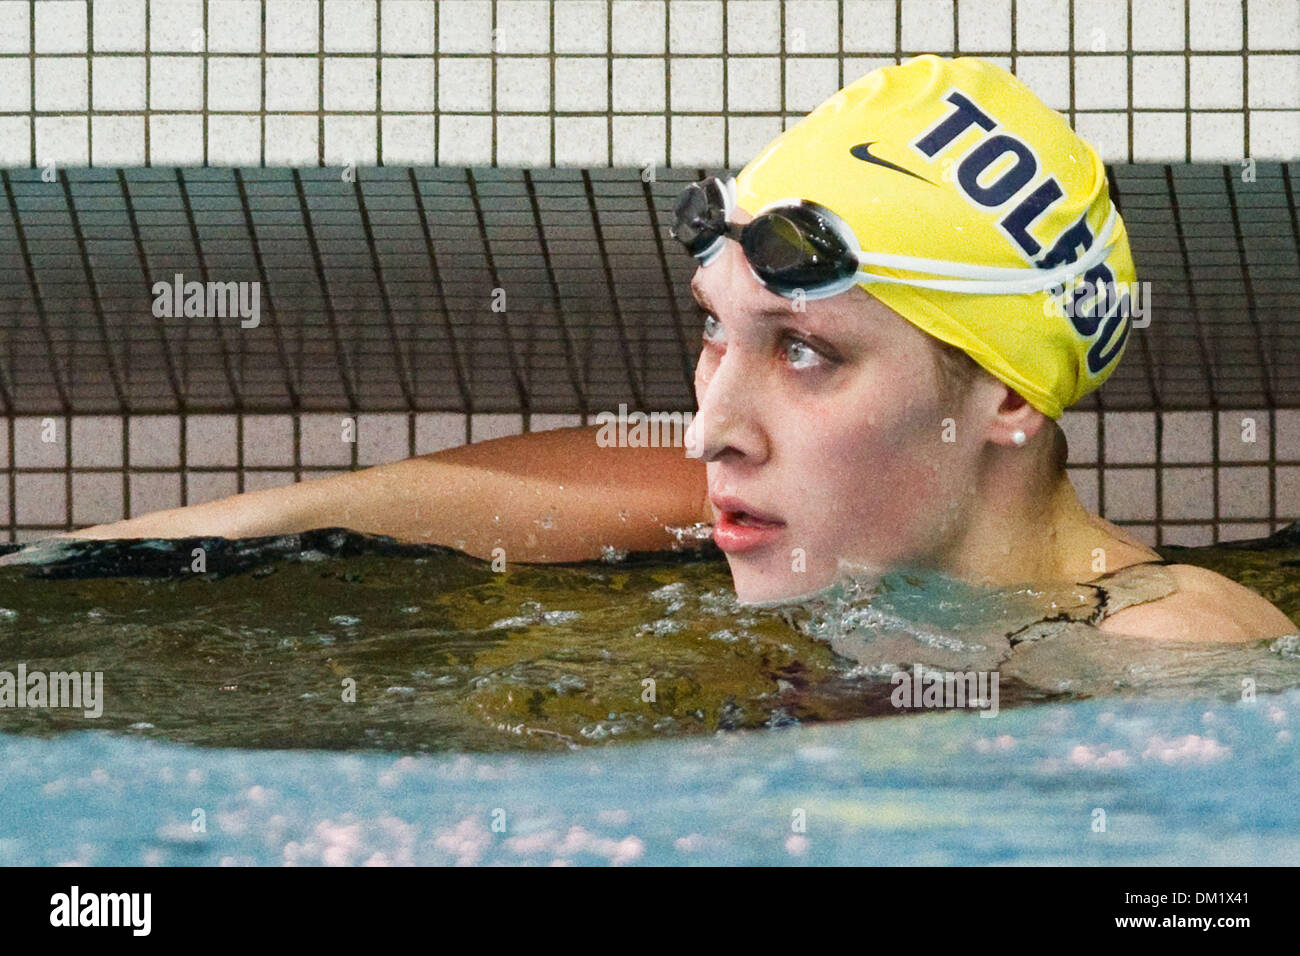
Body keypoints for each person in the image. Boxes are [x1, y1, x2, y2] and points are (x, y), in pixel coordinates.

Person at [5, 55, 1293, 643]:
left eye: (804, 350)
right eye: (713, 335)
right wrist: (59, 565)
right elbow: (368, 509)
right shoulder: (791, 503)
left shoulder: (1172, 660)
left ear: (1005, 393)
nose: (708, 429)